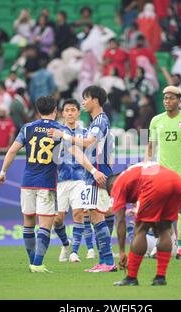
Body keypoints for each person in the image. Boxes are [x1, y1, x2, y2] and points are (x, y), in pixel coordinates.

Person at [0, 96, 70, 273]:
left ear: (37, 111)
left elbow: (13, 150)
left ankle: (32, 262)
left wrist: (3, 172)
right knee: (45, 224)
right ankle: (37, 263)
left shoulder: (27, 128)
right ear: (56, 111)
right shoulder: (60, 129)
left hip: (27, 181)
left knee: (28, 222)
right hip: (46, 182)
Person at [48, 86, 117, 272]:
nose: (83, 101)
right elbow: (81, 149)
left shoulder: (99, 121)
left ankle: (108, 261)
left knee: (96, 215)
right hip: (92, 173)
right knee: (96, 215)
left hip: (98, 173)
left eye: (85, 98)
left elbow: (88, 143)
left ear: (95, 100)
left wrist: (64, 135)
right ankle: (105, 260)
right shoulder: (95, 121)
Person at [146, 86, 181, 259]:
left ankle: (180, 248)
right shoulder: (156, 120)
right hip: (161, 173)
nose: (167, 101)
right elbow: (150, 147)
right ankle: (162, 244)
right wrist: (147, 165)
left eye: (171, 98)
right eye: (165, 98)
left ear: (179, 100)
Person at [107, 162, 181, 286]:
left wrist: (122, 251)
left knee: (140, 229)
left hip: (157, 183)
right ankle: (160, 278)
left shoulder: (118, 185)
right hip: (177, 181)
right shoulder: (133, 173)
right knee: (164, 229)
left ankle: (131, 277)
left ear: (112, 186)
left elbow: (120, 220)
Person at [53, 99, 96, 263]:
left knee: (79, 213)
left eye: (73, 110)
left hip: (80, 178)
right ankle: (65, 243)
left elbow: (91, 153)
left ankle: (74, 252)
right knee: (58, 219)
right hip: (62, 179)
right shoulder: (57, 131)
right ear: (63, 113)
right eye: (67, 110)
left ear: (78, 112)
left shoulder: (85, 133)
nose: (70, 113)